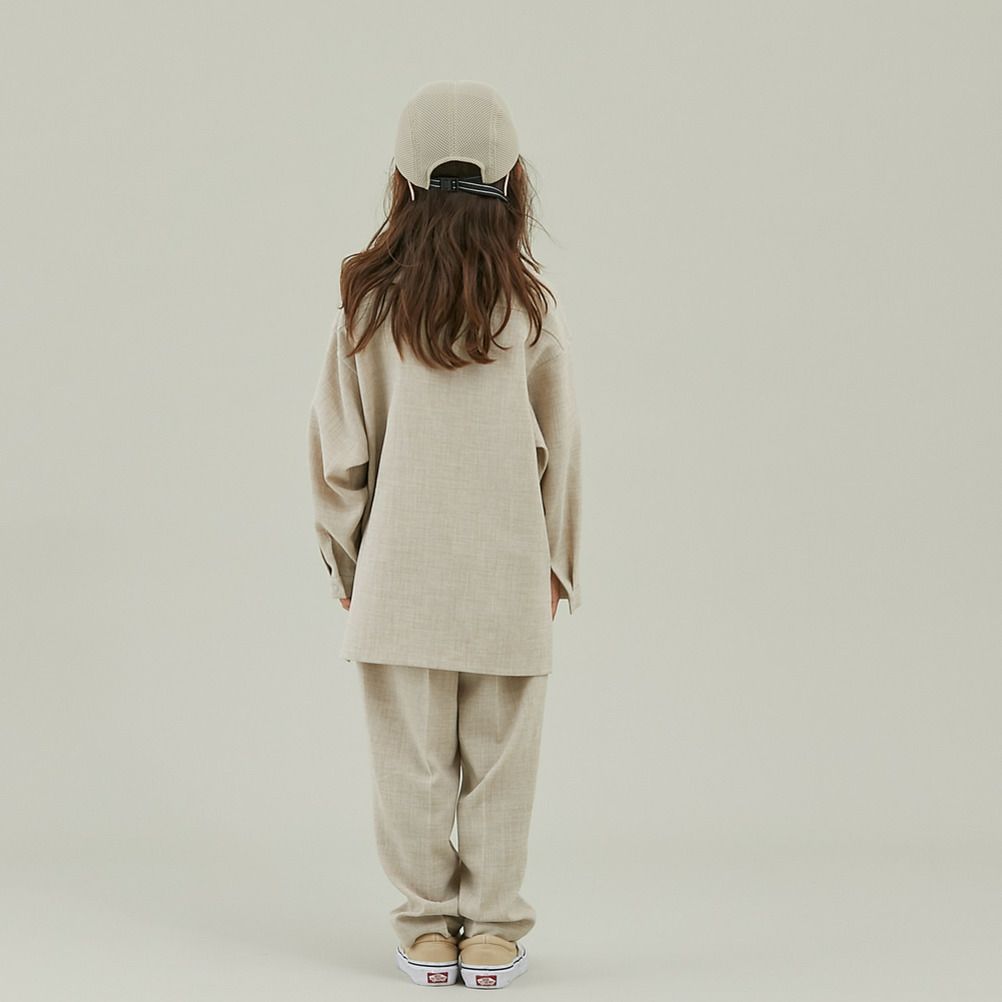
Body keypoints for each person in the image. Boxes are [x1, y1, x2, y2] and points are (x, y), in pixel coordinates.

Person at [307, 79, 582, 989]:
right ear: (511, 183)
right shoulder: (528, 312)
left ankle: (427, 931)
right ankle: (494, 932)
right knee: (501, 765)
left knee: (411, 766)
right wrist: (558, 563)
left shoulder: (367, 308)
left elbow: (339, 452)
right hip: (508, 570)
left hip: (399, 573)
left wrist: (345, 560)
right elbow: (562, 449)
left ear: (404, 180)